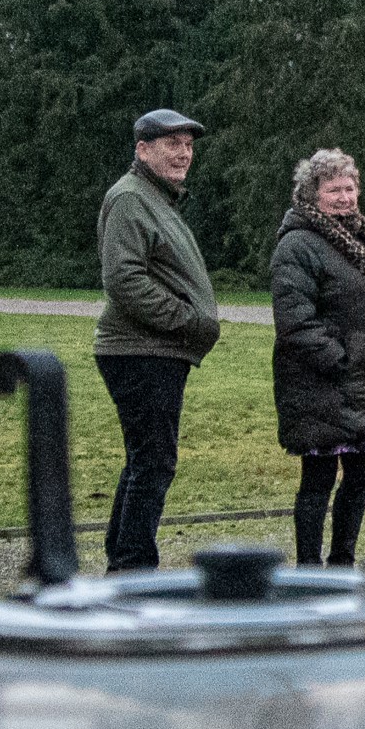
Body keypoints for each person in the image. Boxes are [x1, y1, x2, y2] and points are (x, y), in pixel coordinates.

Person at [270, 149, 365, 565]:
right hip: (323, 382)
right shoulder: (298, 244)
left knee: (364, 471)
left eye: (350, 188)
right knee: (318, 477)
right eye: (334, 189)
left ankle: (342, 562)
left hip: (364, 383)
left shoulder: (363, 238)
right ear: (312, 195)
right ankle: (309, 569)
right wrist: (340, 360)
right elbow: (294, 320)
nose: (345, 197)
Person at [94, 107, 222, 571]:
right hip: (140, 351)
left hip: (157, 352)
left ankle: (124, 565)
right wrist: (186, 321)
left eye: (188, 145)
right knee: (153, 464)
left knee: (145, 462)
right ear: (142, 149)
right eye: (172, 144)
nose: (184, 153)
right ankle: (131, 569)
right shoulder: (130, 198)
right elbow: (123, 278)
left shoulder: (157, 199)